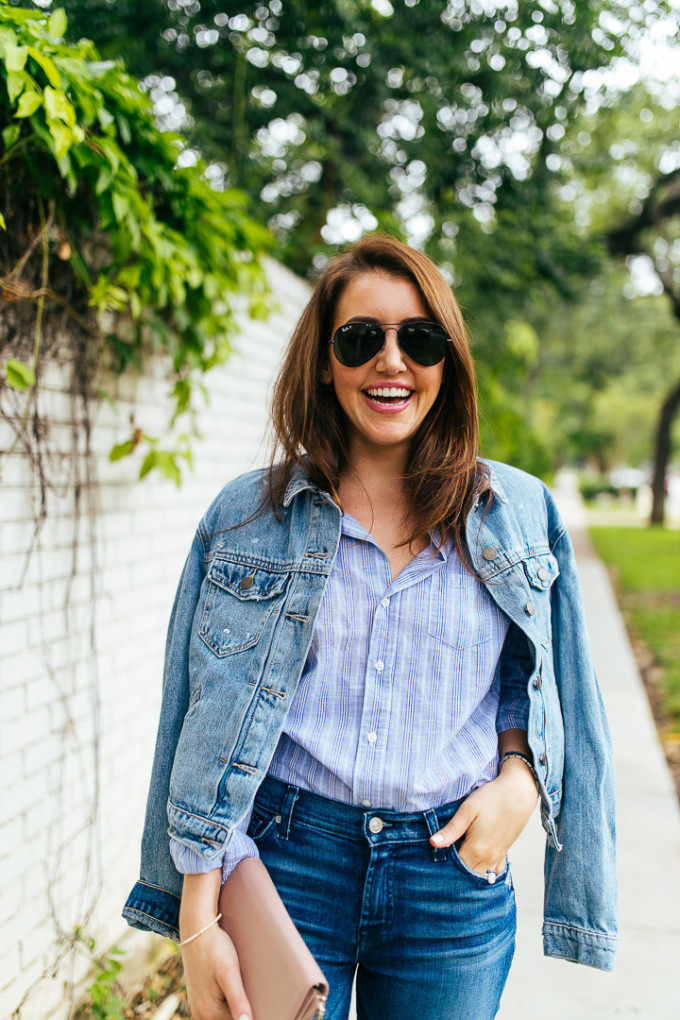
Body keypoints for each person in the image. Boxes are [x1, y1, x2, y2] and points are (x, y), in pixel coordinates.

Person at [123, 235, 617, 1020]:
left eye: (418, 339)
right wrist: (195, 916)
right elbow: (197, 720)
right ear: (325, 361)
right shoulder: (247, 518)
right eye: (362, 340)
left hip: (449, 880)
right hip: (286, 864)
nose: (392, 362)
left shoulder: (518, 514)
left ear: (447, 361)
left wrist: (520, 777)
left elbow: (547, 683)